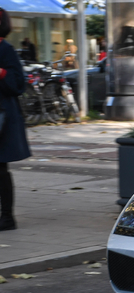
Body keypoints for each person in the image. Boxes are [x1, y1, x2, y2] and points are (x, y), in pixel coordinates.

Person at [0, 8, 31, 231]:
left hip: (2, 116)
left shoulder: (5, 49)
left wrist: (1, 73)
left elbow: (18, 83)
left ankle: (7, 218)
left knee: (0, 168)